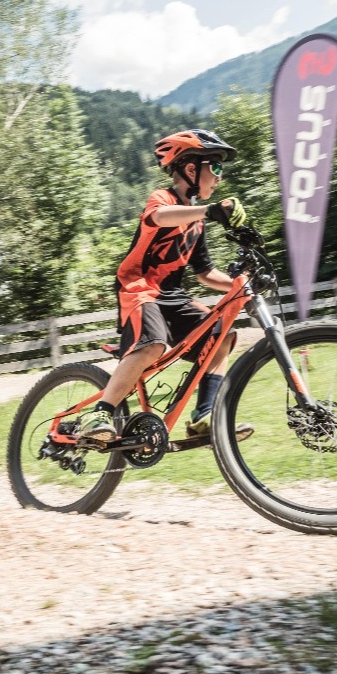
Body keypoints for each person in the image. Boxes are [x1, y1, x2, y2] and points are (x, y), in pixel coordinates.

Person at [78, 129, 248, 445]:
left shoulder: (197, 222)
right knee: (153, 344)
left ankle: (203, 418)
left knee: (221, 336)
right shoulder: (164, 199)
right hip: (139, 288)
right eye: (216, 167)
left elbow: (205, 272)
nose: (219, 178)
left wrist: (239, 286)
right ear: (190, 169)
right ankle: (100, 413)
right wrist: (210, 211)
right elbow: (159, 217)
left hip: (172, 295)